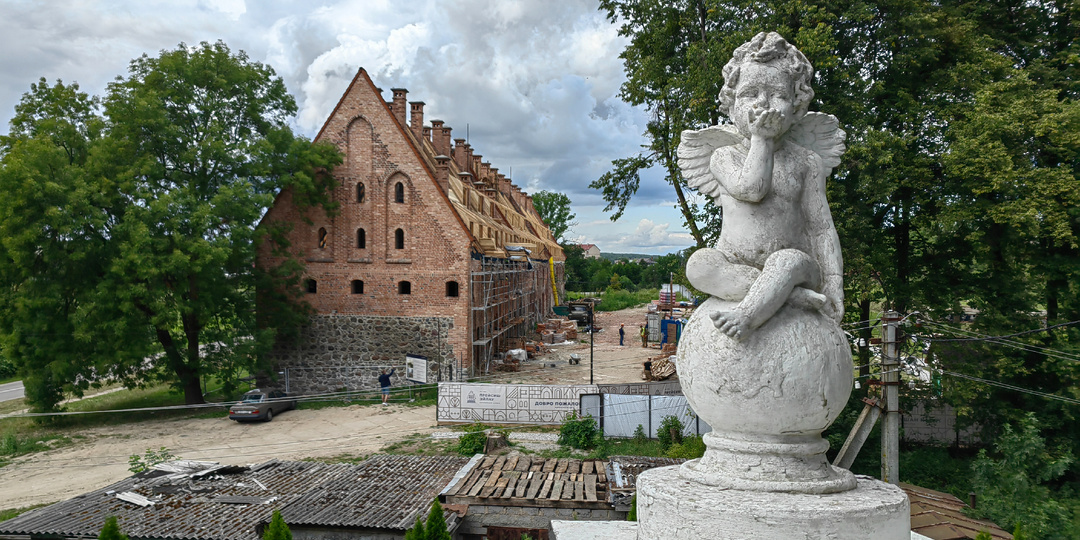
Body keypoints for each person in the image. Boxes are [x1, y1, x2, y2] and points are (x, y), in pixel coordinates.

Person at [679, 32, 845, 342]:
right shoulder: (723, 156)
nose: (762, 103)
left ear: (796, 107)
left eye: (777, 94)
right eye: (750, 93)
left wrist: (834, 283)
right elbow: (751, 190)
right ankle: (788, 296)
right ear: (732, 107)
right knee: (698, 265)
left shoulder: (806, 162)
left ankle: (747, 315)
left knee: (784, 262)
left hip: (798, 265)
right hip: (734, 262)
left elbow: (821, 227)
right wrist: (761, 140)